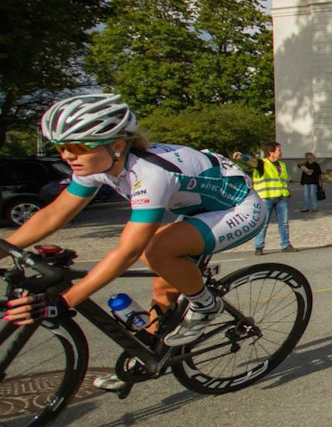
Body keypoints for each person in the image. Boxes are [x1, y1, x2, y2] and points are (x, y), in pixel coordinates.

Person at [3, 94, 267, 392]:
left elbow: (128, 250)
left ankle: (207, 305)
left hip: (239, 208)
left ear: (116, 145)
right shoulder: (100, 165)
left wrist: (65, 301)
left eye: (76, 146)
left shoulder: (149, 174)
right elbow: (54, 213)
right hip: (198, 208)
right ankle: (145, 356)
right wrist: (4, 248)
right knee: (163, 285)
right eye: (60, 147)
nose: (66, 156)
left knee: (155, 251)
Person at [234, 142, 296, 256]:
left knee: (284, 223)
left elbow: (282, 180)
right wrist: (241, 156)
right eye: (278, 150)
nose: (281, 152)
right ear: (271, 152)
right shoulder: (262, 164)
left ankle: (285, 244)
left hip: (281, 197)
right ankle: (259, 246)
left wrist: (287, 191)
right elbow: (251, 161)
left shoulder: (282, 164)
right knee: (263, 223)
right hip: (266, 198)